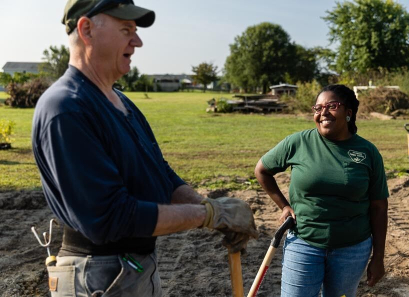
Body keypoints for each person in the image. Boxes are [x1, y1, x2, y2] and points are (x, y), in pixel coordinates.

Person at [32, 1, 258, 296]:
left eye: (135, 31)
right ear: (86, 29)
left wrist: (211, 210)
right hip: (97, 277)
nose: (137, 42)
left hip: (132, 269)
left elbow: (160, 174)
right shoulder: (66, 108)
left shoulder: (122, 102)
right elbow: (110, 217)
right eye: (126, 29)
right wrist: (209, 215)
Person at [254, 84, 389, 297]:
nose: (323, 113)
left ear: (349, 113)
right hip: (303, 242)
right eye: (318, 108)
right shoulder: (298, 142)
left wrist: (378, 257)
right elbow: (262, 170)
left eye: (332, 106)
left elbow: (379, 207)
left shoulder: (368, 152)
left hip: (352, 250)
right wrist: (284, 205)